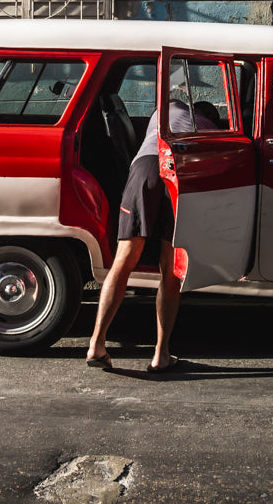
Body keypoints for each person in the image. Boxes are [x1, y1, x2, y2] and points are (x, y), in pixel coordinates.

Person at [86, 98, 218, 373]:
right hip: (181, 171)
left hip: (146, 165)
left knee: (123, 261)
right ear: (208, 115)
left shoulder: (165, 110)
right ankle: (161, 354)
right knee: (170, 272)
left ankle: (97, 344)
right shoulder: (211, 127)